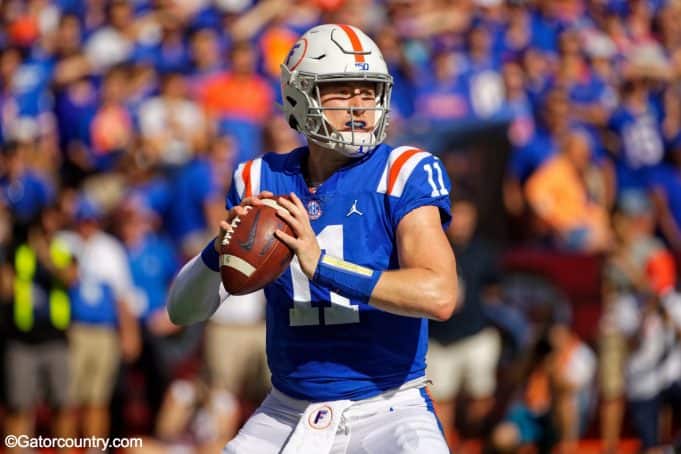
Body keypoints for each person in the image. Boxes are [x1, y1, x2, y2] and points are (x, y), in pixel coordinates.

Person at [167, 24, 458, 454]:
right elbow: (182, 311)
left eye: (369, 91)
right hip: (287, 410)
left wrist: (321, 265)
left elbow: (439, 294)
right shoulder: (259, 179)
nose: (359, 106)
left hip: (388, 406)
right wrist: (220, 248)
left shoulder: (404, 171)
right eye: (341, 91)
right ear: (298, 98)